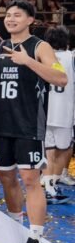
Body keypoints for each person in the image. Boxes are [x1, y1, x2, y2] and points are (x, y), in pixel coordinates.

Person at [0, 0, 68, 243]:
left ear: (30, 20)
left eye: (17, 15)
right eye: (8, 15)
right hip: (1, 125)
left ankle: (35, 242)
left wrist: (28, 61)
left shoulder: (39, 46)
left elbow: (61, 78)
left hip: (29, 125)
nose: (11, 19)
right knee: (5, 177)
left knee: (31, 179)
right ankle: (16, 231)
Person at [40, 25, 74, 204]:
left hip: (44, 111)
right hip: (65, 111)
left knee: (48, 150)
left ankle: (47, 184)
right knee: (64, 149)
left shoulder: (40, 57)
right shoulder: (71, 57)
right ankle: (52, 183)